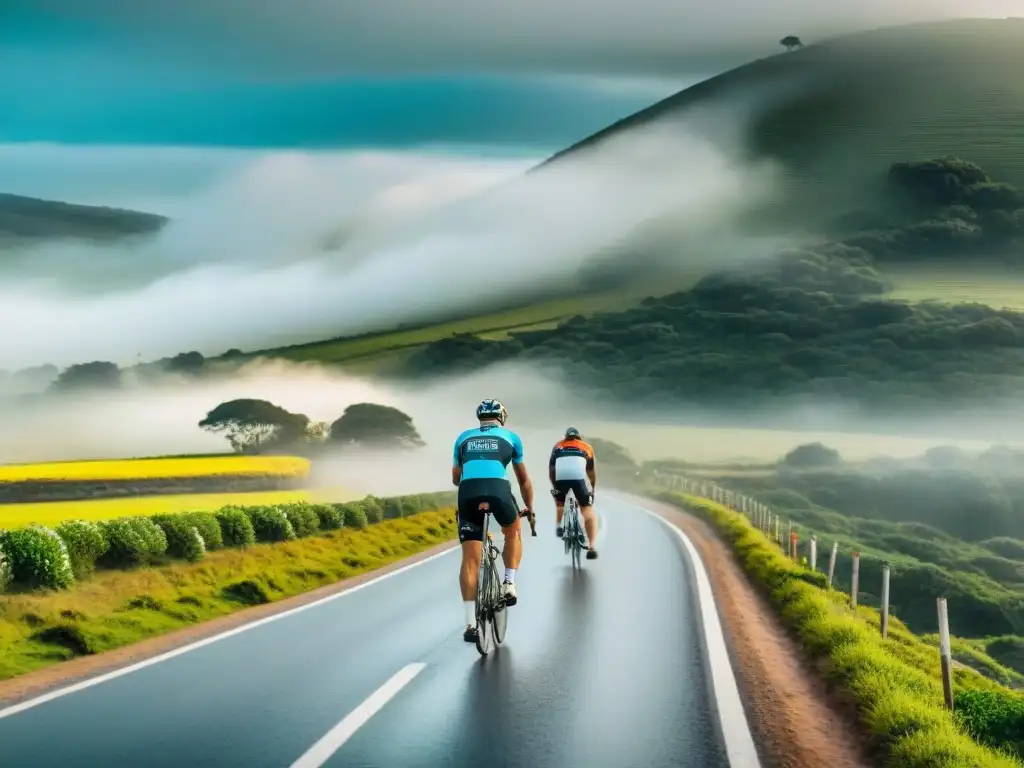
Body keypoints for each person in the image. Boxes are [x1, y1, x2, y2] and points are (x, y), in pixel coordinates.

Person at [452, 399, 534, 643]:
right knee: (513, 530)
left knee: (469, 559)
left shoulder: (463, 437)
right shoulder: (511, 437)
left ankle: (469, 624)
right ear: (502, 418)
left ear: (480, 418)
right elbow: (524, 480)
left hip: (468, 492)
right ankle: (509, 582)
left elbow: (456, 478)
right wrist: (528, 507)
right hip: (499, 490)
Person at [549, 426, 598, 560]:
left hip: (560, 478)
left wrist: (556, 488)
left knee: (560, 503)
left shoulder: (557, 446)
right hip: (578, 479)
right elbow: (591, 472)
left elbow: (552, 471)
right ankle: (592, 547)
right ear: (579, 437)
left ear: (566, 437)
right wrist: (592, 488)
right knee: (588, 512)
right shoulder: (586, 447)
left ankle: (559, 526)